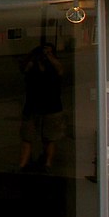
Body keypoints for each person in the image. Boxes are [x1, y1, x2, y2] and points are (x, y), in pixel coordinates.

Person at [18, 42, 64, 172]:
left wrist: (49, 56)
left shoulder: (54, 66)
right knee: (27, 137)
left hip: (51, 108)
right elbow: (23, 68)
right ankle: (23, 164)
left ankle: (47, 163)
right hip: (33, 108)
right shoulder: (32, 65)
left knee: (49, 138)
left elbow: (60, 69)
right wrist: (33, 56)